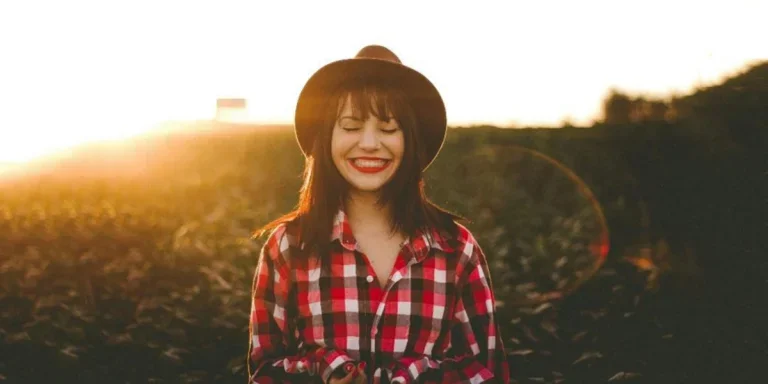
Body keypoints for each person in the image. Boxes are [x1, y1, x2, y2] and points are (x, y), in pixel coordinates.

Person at [248, 45, 510, 384]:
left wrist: (412, 378)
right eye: (351, 126)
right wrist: (324, 370)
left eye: (389, 128)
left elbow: (488, 373)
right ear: (326, 138)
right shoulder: (287, 247)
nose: (370, 143)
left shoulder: (457, 249)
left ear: (410, 140)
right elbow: (264, 371)